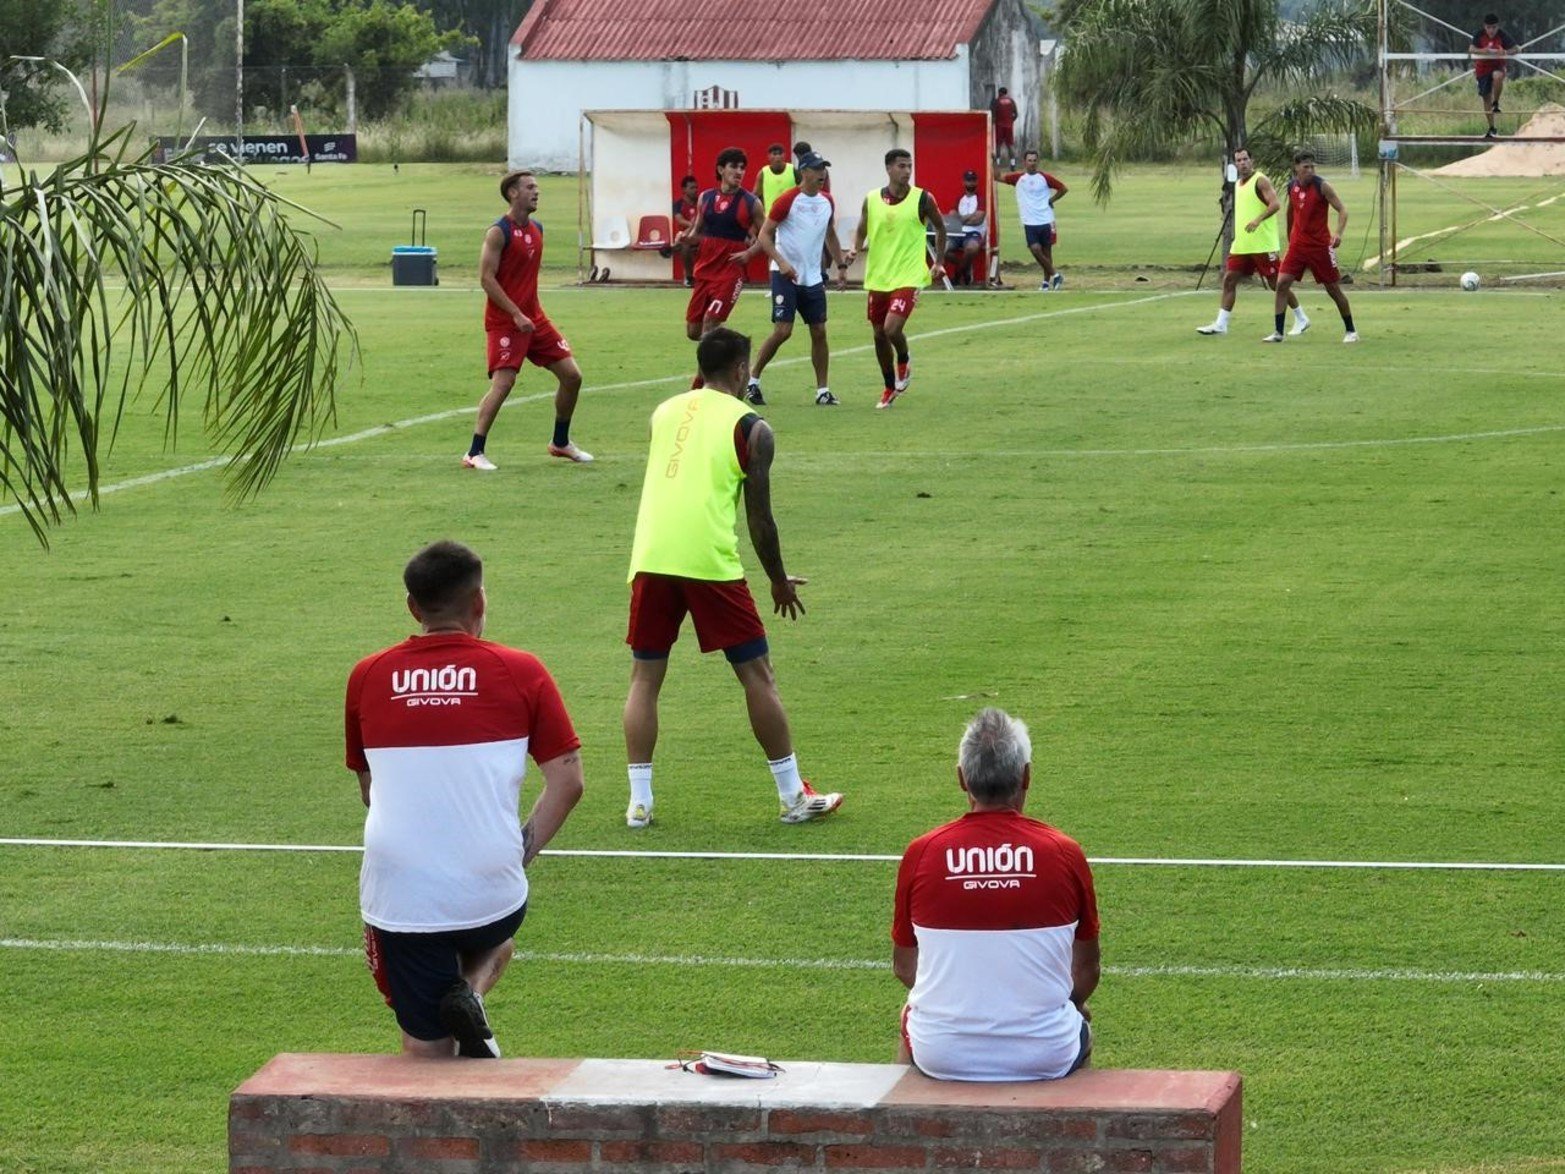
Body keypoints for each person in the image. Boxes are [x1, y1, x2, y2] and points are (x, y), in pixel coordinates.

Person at [346, 540, 585, 1059]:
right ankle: (469, 993)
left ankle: (449, 1027)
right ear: (479, 602)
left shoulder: (367, 675)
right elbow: (568, 782)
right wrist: (514, 854)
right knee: (498, 934)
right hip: (492, 895)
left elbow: (371, 791)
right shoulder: (522, 670)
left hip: (404, 898)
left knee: (425, 1048)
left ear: (412, 607)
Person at [622, 327, 843, 829]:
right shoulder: (752, 427)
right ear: (743, 370)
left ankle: (640, 803)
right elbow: (760, 519)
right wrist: (778, 580)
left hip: (651, 555)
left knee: (645, 680)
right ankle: (791, 797)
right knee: (757, 676)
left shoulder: (664, 411)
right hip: (709, 563)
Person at [892, 708, 1099, 1082]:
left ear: (961, 778)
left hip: (941, 1054)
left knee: (909, 1014)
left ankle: (899, 1133)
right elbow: (1087, 970)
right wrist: (1068, 1005)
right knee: (1080, 1022)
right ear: (1027, 776)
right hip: (1045, 1052)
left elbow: (905, 968)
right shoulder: (1064, 852)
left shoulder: (922, 852)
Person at [464, 170, 593, 470]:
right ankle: (474, 452)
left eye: (537, 187)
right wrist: (515, 313)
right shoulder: (498, 232)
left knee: (572, 376)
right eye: (530, 187)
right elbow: (486, 278)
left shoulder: (538, 229)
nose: (537, 192)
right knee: (504, 383)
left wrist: (527, 313)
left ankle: (560, 442)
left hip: (534, 319)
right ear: (512, 193)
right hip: (506, 321)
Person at [745, 152, 849, 407]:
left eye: (824, 168)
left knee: (819, 331)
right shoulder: (787, 200)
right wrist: (781, 263)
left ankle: (822, 390)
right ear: (804, 172)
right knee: (783, 331)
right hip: (784, 275)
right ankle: (752, 381)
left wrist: (841, 265)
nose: (822, 174)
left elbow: (831, 235)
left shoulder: (827, 202)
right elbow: (764, 236)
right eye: (817, 169)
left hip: (812, 277)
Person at [849, 148, 945, 409]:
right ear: (889, 168)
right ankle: (889, 387)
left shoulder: (923, 199)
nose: (907, 171)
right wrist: (855, 248)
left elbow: (940, 228)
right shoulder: (871, 199)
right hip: (879, 276)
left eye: (909, 166)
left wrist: (938, 262)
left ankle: (903, 358)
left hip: (910, 274)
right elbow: (860, 229)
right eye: (901, 166)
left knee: (892, 329)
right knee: (879, 334)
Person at [1196, 147, 1308, 337]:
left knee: (1277, 284)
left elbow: (1275, 204)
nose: (1242, 163)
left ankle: (1301, 317)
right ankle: (1221, 324)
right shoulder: (1239, 183)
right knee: (1229, 280)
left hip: (1263, 244)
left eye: (1245, 159)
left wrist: (1258, 219)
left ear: (1252, 160)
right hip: (1242, 245)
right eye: (1238, 160)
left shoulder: (1260, 180)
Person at [681, 148, 764, 389]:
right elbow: (697, 230)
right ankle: (735, 347)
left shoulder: (751, 203)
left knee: (709, 323)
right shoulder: (705, 197)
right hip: (705, 269)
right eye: (733, 167)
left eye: (742, 168)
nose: (739, 172)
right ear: (720, 169)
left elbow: (768, 235)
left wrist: (749, 253)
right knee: (693, 331)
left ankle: (700, 384)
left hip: (730, 272)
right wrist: (686, 239)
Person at [1265, 150, 1358, 344]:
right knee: (1281, 284)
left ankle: (1351, 331)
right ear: (1296, 168)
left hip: (1320, 247)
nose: (1310, 170)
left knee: (1333, 289)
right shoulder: (1292, 186)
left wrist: (1338, 233)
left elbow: (1342, 210)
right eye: (1306, 167)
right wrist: (1291, 236)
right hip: (1298, 246)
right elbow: (1291, 211)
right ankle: (1278, 333)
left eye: (1312, 166)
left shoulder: (1322, 186)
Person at [1001, 151, 1068, 291]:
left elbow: (1063, 188)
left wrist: (1051, 200)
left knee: (1047, 252)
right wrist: (993, 159)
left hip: (1046, 220)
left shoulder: (1044, 178)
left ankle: (1046, 282)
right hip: (1029, 222)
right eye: (1029, 160)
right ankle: (1056, 275)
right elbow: (997, 177)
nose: (1032, 163)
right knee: (1035, 249)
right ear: (1024, 162)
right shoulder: (1018, 178)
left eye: (1034, 160)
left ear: (1038, 162)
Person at [1470, 14, 1517, 139]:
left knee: (1497, 76)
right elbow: (1471, 48)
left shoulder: (1502, 35)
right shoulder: (1479, 34)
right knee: (1486, 98)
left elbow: (1517, 49)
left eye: (1494, 27)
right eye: (1488, 27)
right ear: (1484, 27)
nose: (1491, 30)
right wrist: (1483, 50)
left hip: (1498, 65)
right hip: (1482, 69)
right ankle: (1492, 128)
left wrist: (1506, 52)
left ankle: (1496, 103)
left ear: (1498, 27)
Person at [954, 169, 987, 286]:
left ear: (977, 182)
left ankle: (958, 274)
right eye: (968, 181)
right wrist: (970, 216)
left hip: (975, 232)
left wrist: (962, 219)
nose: (971, 184)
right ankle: (964, 267)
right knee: (942, 248)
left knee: (971, 249)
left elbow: (978, 220)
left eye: (973, 181)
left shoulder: (981, 198)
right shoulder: (959, 199)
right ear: (964, 182)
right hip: (958, 233)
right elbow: (952, 216)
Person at [755, 143, 800, 213]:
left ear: (784, 155)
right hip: (770, 217)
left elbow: (803, 190)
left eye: (780, 154)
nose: (778, 156)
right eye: (775, 154)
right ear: (769, 156)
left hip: (791, 215)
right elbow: (756, 195)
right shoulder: (763, 173)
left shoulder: (793, 170)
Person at [672, 174, 700, 287]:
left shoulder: (701, 201)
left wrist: (696, 225)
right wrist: (693, 224)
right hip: (685, 236)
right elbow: (680, 220)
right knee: (685, 246)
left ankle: (674, 245)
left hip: (701, 235)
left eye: (696, 187)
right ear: (684, 189)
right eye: (691, 188)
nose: (695, 190)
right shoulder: (678, 204)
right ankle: (689, 277)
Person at [990, 87, 1019, 170]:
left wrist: (993, 123)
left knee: (998, 145)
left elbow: (993, 114)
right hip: (1009, 126)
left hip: (999, 126)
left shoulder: (996, 101)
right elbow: (1016, 114)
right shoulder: (1011, 101)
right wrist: (1010, 121)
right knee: (1010, 145)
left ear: (999, 93)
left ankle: (997, 165)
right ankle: (1013, 165)